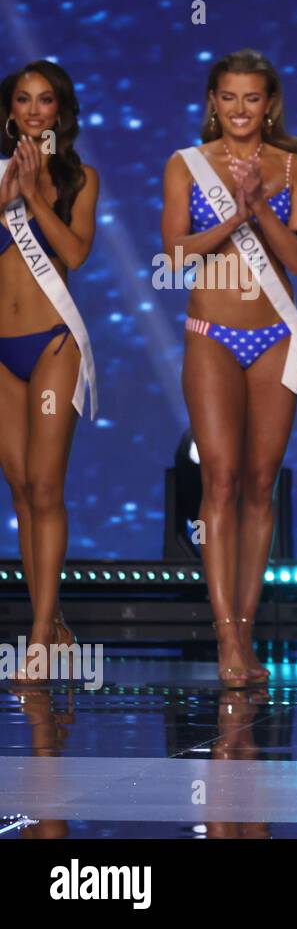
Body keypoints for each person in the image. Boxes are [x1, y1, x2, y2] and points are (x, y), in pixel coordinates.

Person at [161, 49, 297, 688]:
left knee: (260, 483)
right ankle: (225, 638)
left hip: (276, 336)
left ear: (269, 104)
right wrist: (232, 213)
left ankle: (246, 638)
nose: (240, 109)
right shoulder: (185, 166)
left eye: (253, 98)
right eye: (229, 97)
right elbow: (173, 256)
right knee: (218, 481)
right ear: (213, 101)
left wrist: (259, 209)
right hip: (211, 336)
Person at [0, 60, 99, 682]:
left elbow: (77, 253)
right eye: (22, 100)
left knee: (45, 486)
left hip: (53, 344)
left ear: (60, 112)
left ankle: (38, 633)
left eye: (45, 102)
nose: (34, 111)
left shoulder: (81, 178)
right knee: (19, 492)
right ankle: (52, 619)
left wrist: (36, 196)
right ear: (10, 111)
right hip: (1, 351)